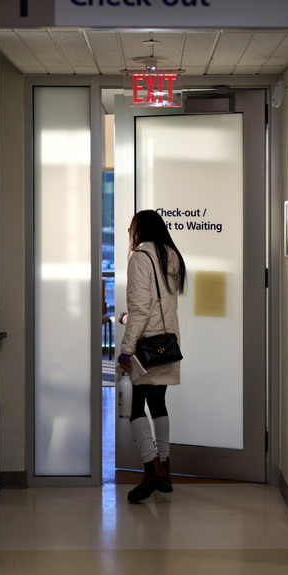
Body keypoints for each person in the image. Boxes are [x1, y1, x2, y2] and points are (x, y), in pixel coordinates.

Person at [117, 209, 186, 503]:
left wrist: (125, 350)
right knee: (158, 403)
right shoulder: (171, 256)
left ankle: (151, 468)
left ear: (137, 231)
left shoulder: (139, 258)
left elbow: (142, 309)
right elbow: (159, 305)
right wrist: (126, 318)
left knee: (134, 409)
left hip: (145, 346)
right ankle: (166, 468)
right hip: (167, 344)